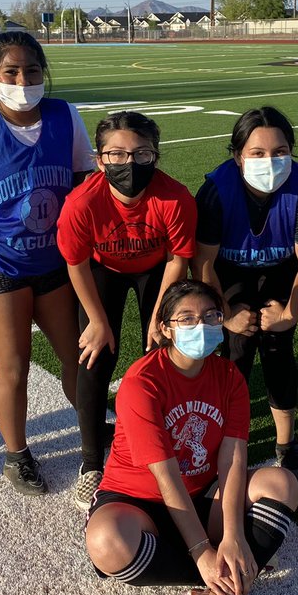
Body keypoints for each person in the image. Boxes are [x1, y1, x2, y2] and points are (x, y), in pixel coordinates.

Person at [84, 280, 298, 595]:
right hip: (138, 501)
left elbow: (232, 459)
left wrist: (232, 535)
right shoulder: (142, 381)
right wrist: (202, 552)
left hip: (199, 496)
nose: (200, 325)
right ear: (166, 328)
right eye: (186, 318)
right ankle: (226, 573)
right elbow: (165, 477)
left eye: (211, 316)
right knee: (106, 541)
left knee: (282, 484)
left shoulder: (230, 378)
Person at [0, 30, 94, 496]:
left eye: (31, 69)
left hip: (55, 259)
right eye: (12, 71)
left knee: (78, 358)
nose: (23, 78)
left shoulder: (65, 116)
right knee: (14, 365)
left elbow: (86, 182)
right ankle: (17, 454)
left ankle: (93, 440)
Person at [57, 111, 197, 509]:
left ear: (156, 155)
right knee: (95, 354)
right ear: (99, 160)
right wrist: (98, 320)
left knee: (159, 353)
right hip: (104, 269)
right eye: (116, 155)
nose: (128, 164)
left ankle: (158, 440)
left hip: (156, 268)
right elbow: (76, 263)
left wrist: (159, 315)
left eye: (141, 154)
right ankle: (90, 463)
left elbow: (177, 258)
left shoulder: (175, 197)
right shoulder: (82, 202)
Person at [193, 107, 298, 485]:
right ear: (237, 156)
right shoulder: (216, 191)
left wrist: (290, 314)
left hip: (281, 270)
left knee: (278, 346)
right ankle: (228, 435)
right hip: (227, 272)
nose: (271, 161)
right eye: (258, 153)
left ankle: (286, 444)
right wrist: (226, 313)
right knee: (236, 346)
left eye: (280, 151)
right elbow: (203, 264)